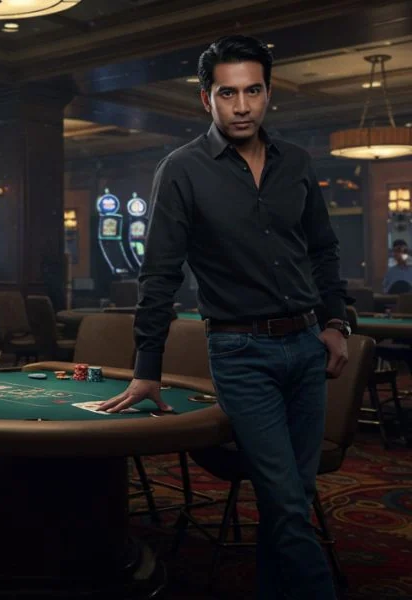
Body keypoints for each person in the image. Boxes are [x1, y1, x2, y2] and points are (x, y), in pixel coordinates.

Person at [99, 35, 349, 600]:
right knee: (287, 502)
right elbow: (158, 277)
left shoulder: (299, 164)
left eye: (253, 91)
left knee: (288, 502)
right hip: (241, 355)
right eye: (228, 93)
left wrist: (335, 324)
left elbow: (324, 252)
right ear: (205, 99)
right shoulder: (182, 170)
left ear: (269, 92)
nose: (242, 106)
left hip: (307, 347)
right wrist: (147, 367)